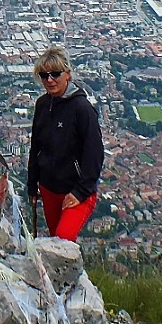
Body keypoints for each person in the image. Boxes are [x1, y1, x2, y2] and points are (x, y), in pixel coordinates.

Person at [26, 45, 103, 242]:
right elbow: (36, 146)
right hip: (49, 187)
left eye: (55, 74)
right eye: (44, 75)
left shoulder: (82, 109)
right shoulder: (43, 104)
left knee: (63, 239)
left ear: (67, 74)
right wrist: (32, 184)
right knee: (54, 241)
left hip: (76, 189)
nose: (49, 80)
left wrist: (81, 191)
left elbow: (94, 153)